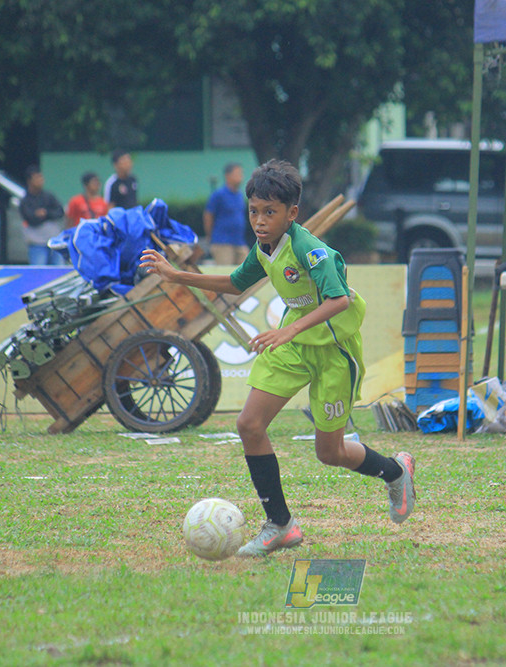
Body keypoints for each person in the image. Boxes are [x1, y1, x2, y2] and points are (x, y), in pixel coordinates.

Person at [140, 159, 416, 558]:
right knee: (249, 424)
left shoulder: (310, 250)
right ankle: (281, 525)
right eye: (254, 211)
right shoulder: (264, 247)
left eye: (270, 212)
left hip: (333, 351)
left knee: (330, 453)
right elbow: (236, 283)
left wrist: (287, 329)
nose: (260, 220)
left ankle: (395, 471)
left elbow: (340, 300)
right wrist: (177, 276)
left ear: (292, 213)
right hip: (291, 346)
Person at [19, 165, 66, 265]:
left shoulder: (49, 196)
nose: (41, 180)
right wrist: (40, 216)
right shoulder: (25, 201)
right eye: (37, 178)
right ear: (29, 181)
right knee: (38, 271)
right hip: (36, 243)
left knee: (57, 270)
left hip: (54, 242)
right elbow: (31, 219)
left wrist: (46, 213)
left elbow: (60, 212)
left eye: (41, 177)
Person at [204, 162, 248, 265]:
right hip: (222, 243)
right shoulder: (218, 195)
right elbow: (208, 216)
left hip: (239, 241)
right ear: (227, 176)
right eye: (237, 174)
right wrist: (210, 237)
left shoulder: (240, 195)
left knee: (246, 271)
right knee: (225, 274)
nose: (241, 177)